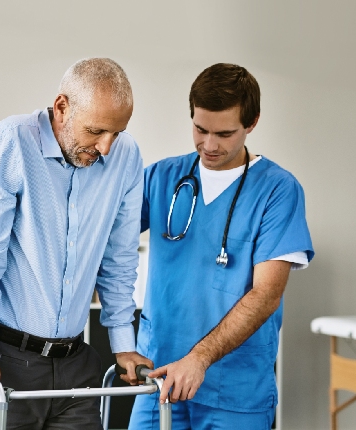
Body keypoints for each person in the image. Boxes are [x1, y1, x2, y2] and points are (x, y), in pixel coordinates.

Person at [0, 58, 153, 429]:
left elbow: (120, 258)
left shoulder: (126, 157)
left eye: (117, 133)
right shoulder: (10, 143)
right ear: (62, 107)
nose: (106, 147)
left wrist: (124, 344)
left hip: (77, 365)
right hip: (5, 363)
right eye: (96, 131)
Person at [129, 63, 314, 429]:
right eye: (200, 129)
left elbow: (266, 294)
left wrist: (199, 358)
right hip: (159, 377)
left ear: (252, 122)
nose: (209, 145)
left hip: (234, 391)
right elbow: (101, 239)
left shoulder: (277, 191)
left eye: (225, 133)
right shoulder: (162, 178)